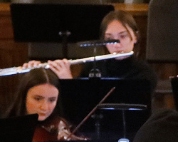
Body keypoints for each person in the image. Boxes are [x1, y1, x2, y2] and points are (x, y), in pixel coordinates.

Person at [24, 11, 157, 94]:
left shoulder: (145, 74)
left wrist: (70, 83)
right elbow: (76, 107)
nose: (116, 44)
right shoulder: (93, 67)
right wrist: (41, 74)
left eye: (122, 36)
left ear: (135, 37)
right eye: (109, 39)